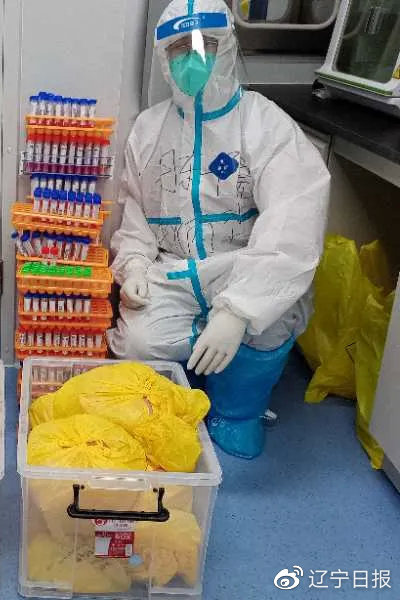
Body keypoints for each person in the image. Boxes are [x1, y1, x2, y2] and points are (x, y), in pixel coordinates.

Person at [108, 0, 330, 458]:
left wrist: (239, 310)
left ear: (227, 47)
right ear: (164, 59)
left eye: (204, 45)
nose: (191, 59)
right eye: (178, 50)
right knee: (137, 343)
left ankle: (237, 411)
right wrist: (134, 266)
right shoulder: (148, 130)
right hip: (174, 270)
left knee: (269, 319)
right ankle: (185, 390)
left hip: (242, 267)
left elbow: (292, 226)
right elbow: (135, 215)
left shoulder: (265, 124)